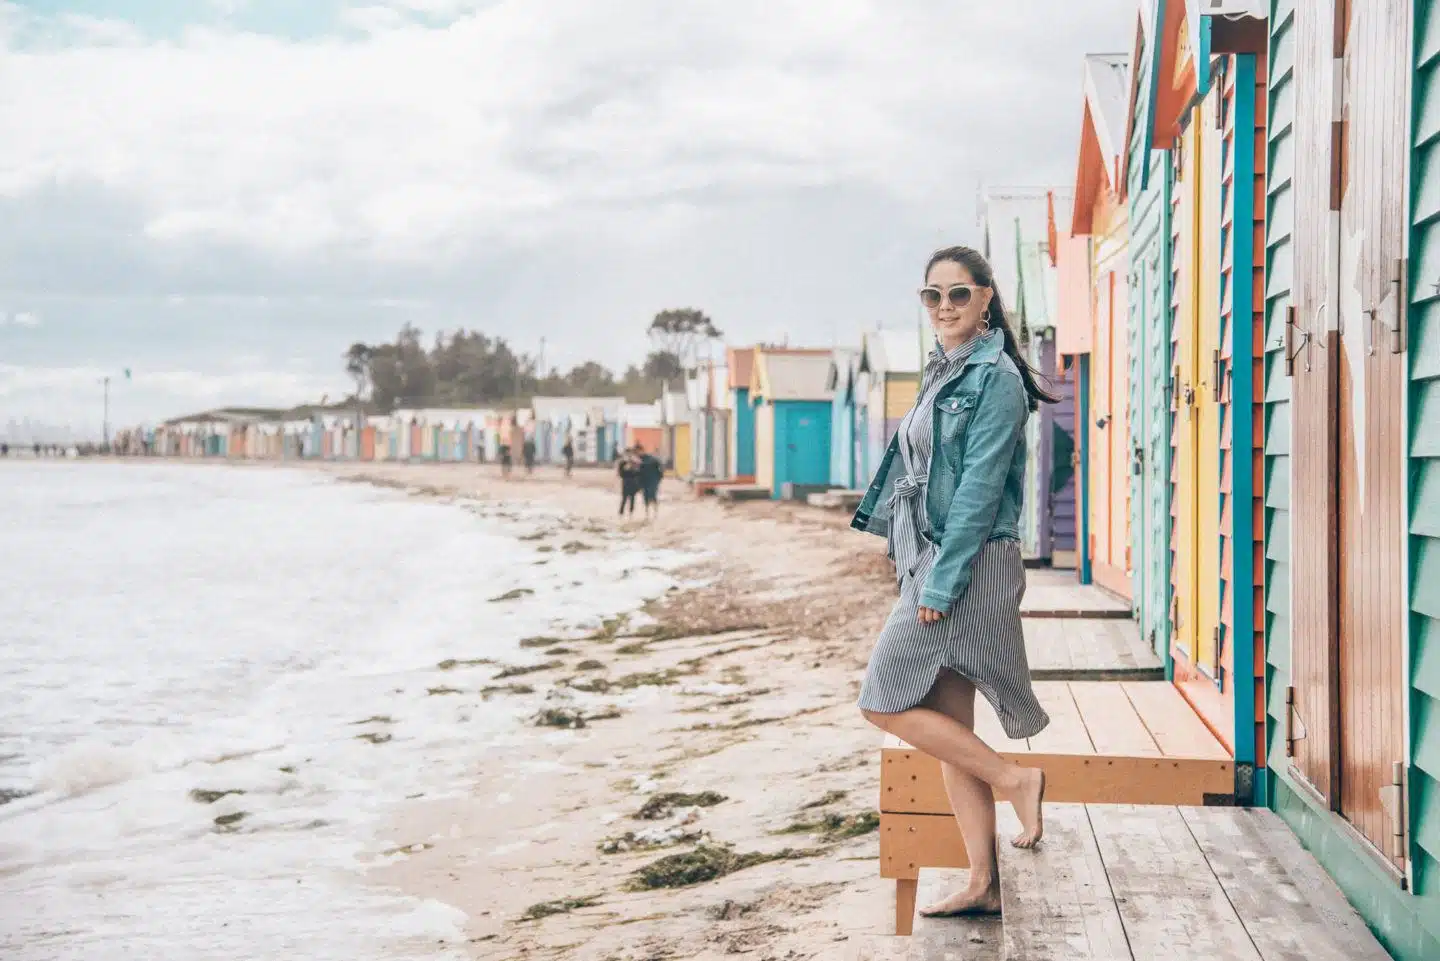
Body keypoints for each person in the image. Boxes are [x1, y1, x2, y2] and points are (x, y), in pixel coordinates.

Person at [851, 246, 1058, 918]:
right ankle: (983, 881)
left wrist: (937, 586)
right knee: (944, 722)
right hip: (935, 559)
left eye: (959, 294)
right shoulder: (948, 368)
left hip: (964, 567)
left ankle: (1014, 776)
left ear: (987, 296)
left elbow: (976, 492)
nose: (944, 307)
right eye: (932, 295)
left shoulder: (995, 379)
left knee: (881, 699)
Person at [638, 448, 663, 520]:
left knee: (650, 497)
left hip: (651, 482)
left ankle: (652, 513)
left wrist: (658, 479)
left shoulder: (649, 461)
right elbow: (639, 474)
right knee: (649, 497)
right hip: (648, 482)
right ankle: (650, 513)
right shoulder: (641, 461)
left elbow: (660, 471)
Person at [617, 447, 641, 516]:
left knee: (632, 498)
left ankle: (631, 512)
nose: (629, 455)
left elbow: (638, 472)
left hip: (633, 482)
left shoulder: (635, 462)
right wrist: (625, 468)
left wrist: (635, 468)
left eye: (630, 453)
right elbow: (620, 474)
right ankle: (621, 512)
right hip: (625, 482)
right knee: (624, 498)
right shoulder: (622, 462)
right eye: (627, 453)